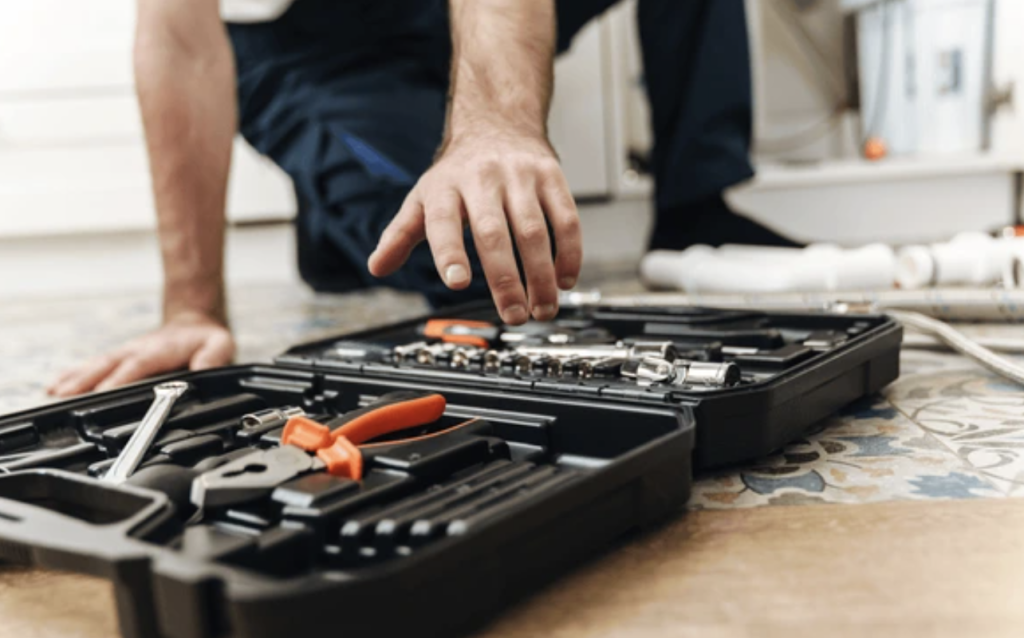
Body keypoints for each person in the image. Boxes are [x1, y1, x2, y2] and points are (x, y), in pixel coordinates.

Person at [48, 0, 794, 398]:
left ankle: (697, 207)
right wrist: (191, 306)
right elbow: (179, 41)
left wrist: (496, 124)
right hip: (311, 43)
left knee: (496, 213)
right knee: (467, 251)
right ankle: (342, 213)